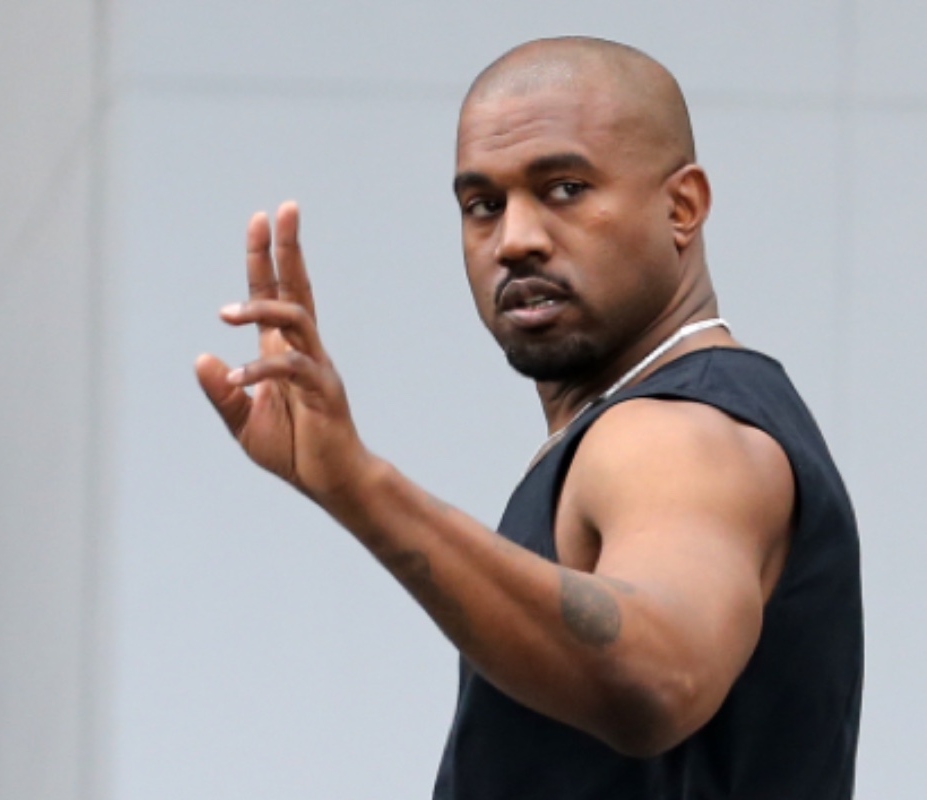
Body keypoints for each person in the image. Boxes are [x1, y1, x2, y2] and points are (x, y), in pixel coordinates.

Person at [196, 36, 862, 800]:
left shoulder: (677, 434)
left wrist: (360, 484)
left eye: (565, 188)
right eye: (483, 205)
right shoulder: (648, 421)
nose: (515, 240)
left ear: (681, 208)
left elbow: (661, 675)